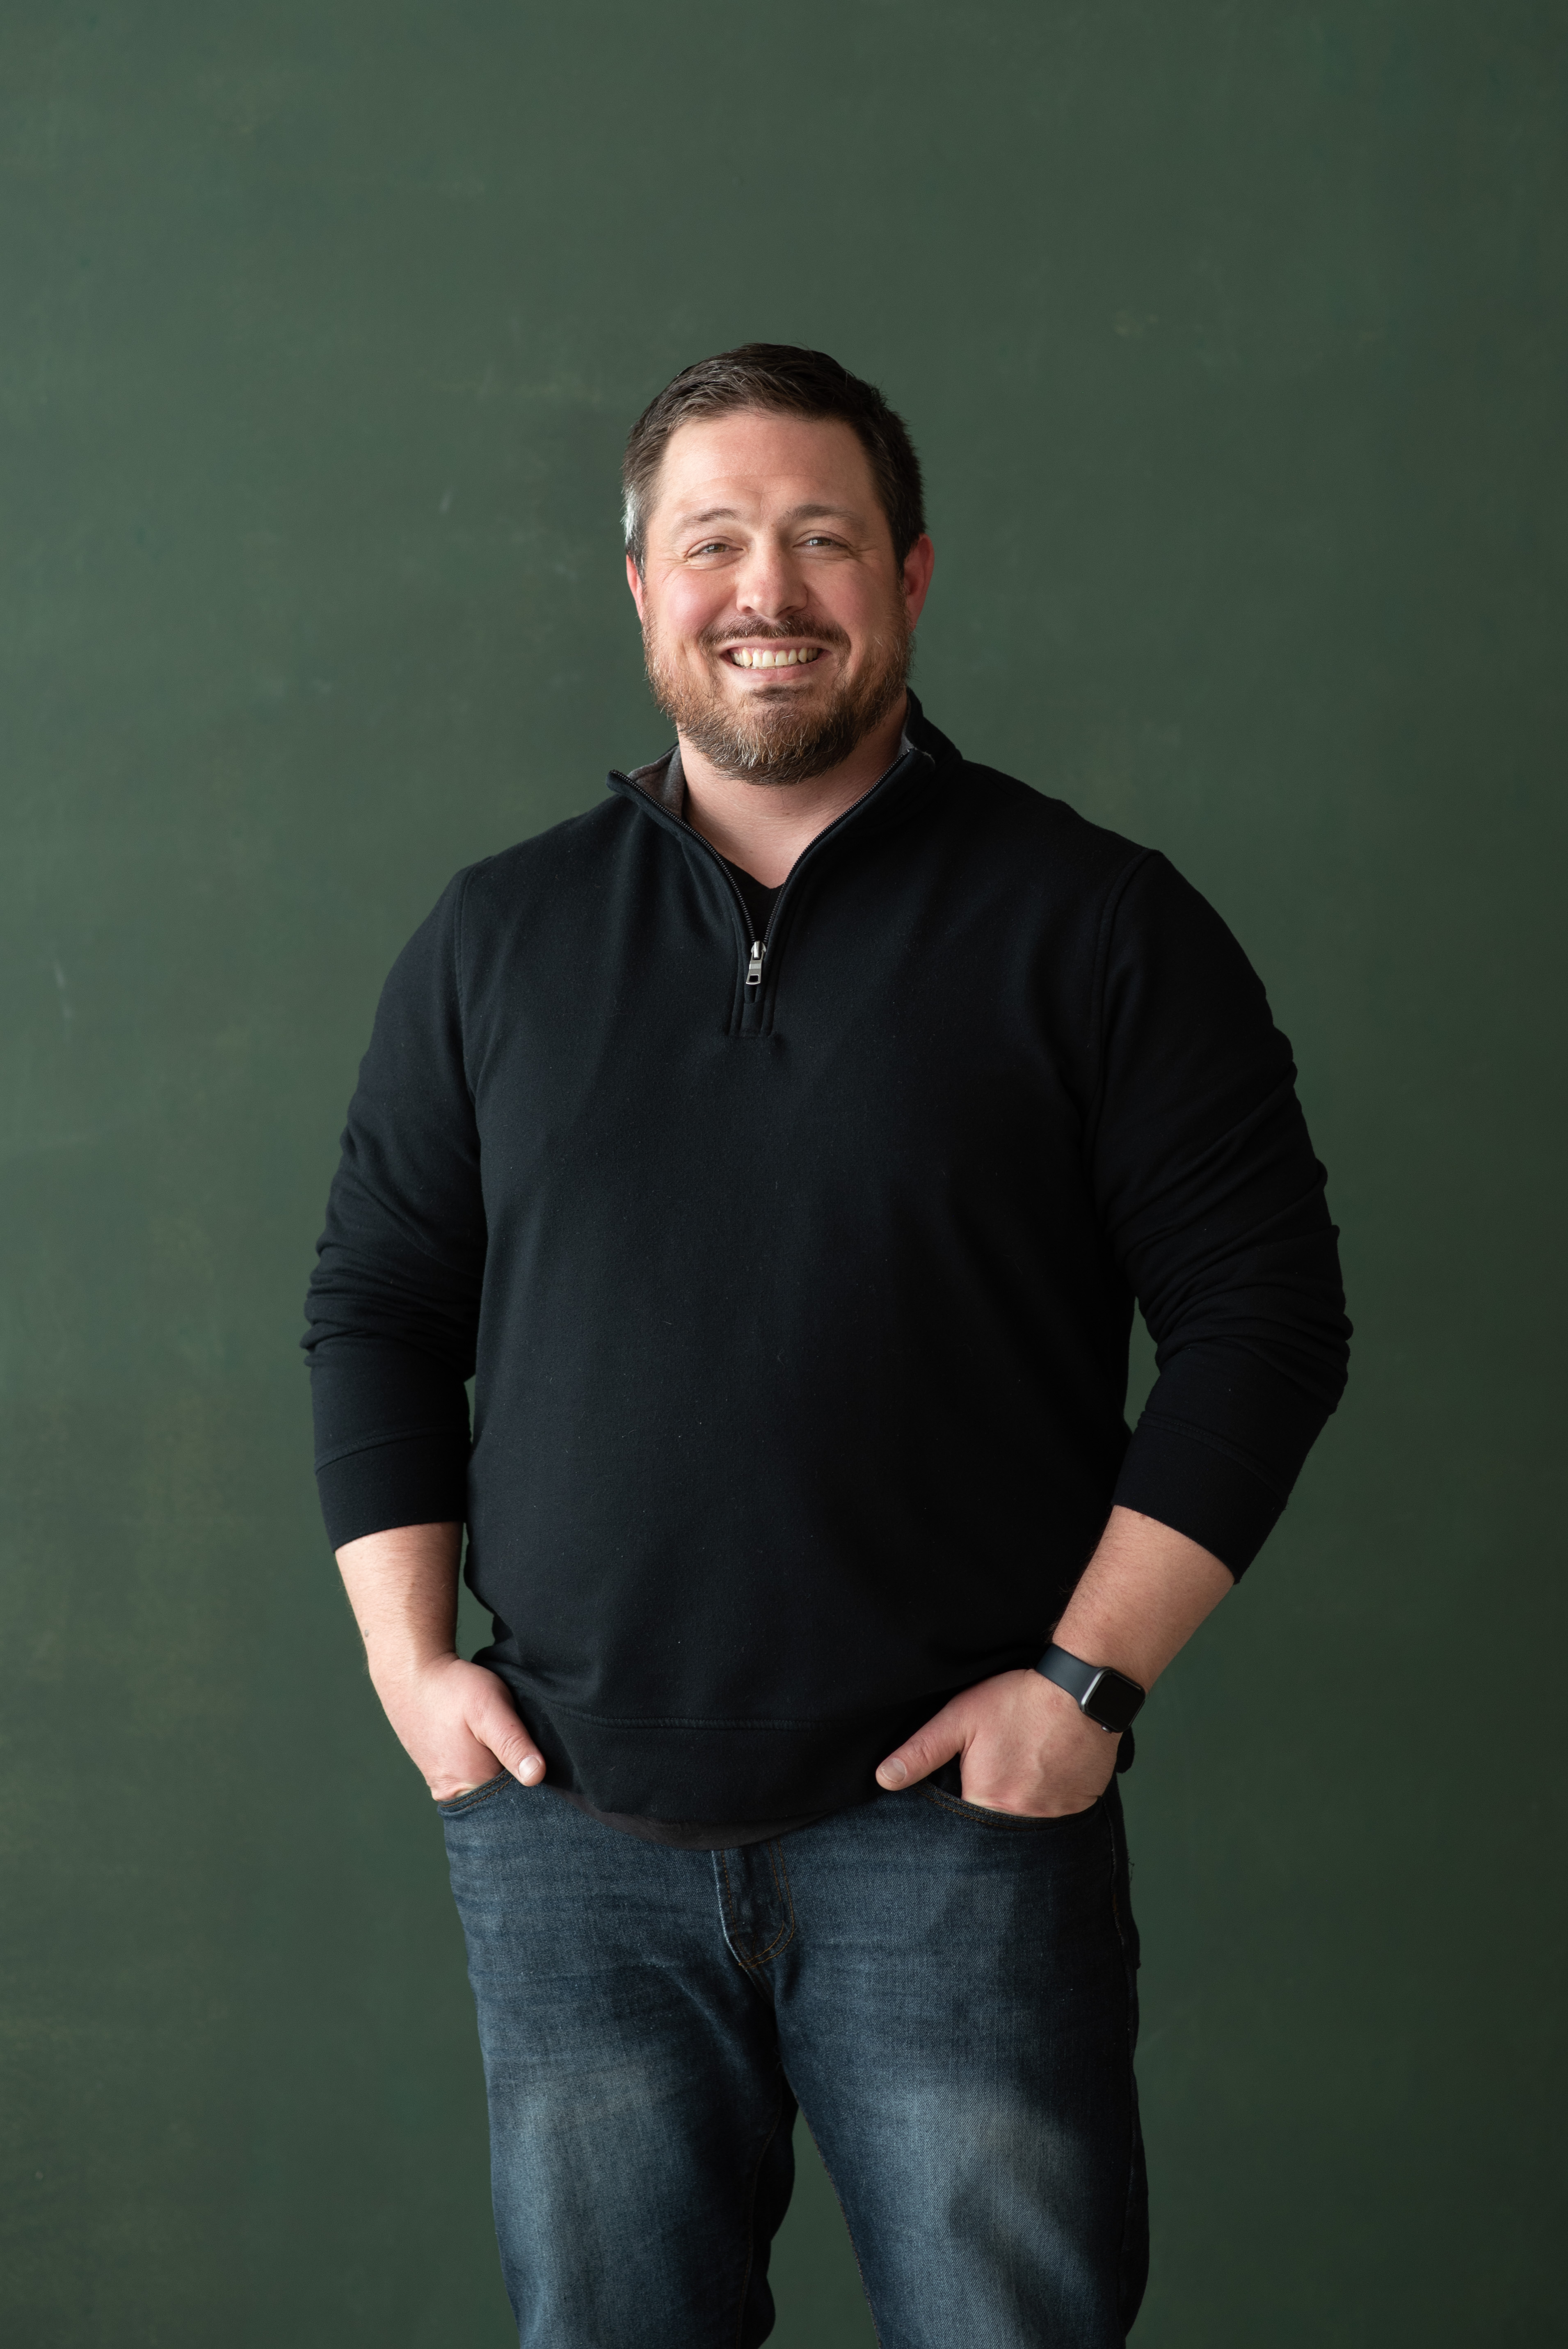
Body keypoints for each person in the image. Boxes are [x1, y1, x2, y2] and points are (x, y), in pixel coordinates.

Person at [304, 343, 1349, 2348]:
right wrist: (407, 1666)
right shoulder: (492, 939)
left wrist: (1082, 1686)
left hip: (960, 1835)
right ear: (642, 590)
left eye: (820, 539)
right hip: (565, 1827)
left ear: (911, 575)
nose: (763, 591)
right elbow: (377, 1304)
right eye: (711, 543)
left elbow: (1263, 1317)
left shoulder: (1097, 925)